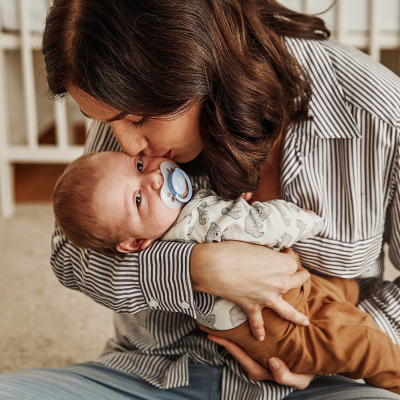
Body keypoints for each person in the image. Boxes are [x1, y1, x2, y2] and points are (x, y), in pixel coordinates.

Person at [1, 0, 400, 399]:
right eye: (109, 122)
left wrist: (331, 354)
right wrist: (195, 268)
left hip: (322, 383)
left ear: (203, 62)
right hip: (153, 373)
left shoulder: (379, 114)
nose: (128, 145)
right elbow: (71, 256)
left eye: (139, 119)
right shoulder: (130, 113)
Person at [52, 150, 400, 393]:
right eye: (138, 199)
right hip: (284, 335)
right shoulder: (193, 223)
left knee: (342, 290)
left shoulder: (178, 217)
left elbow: (224, 217)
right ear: (135, 243)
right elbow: (261, 227)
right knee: (364, 344)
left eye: (140, 165)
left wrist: (233, 205)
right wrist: (305, 221)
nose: (157, 178)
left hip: (293, 296)